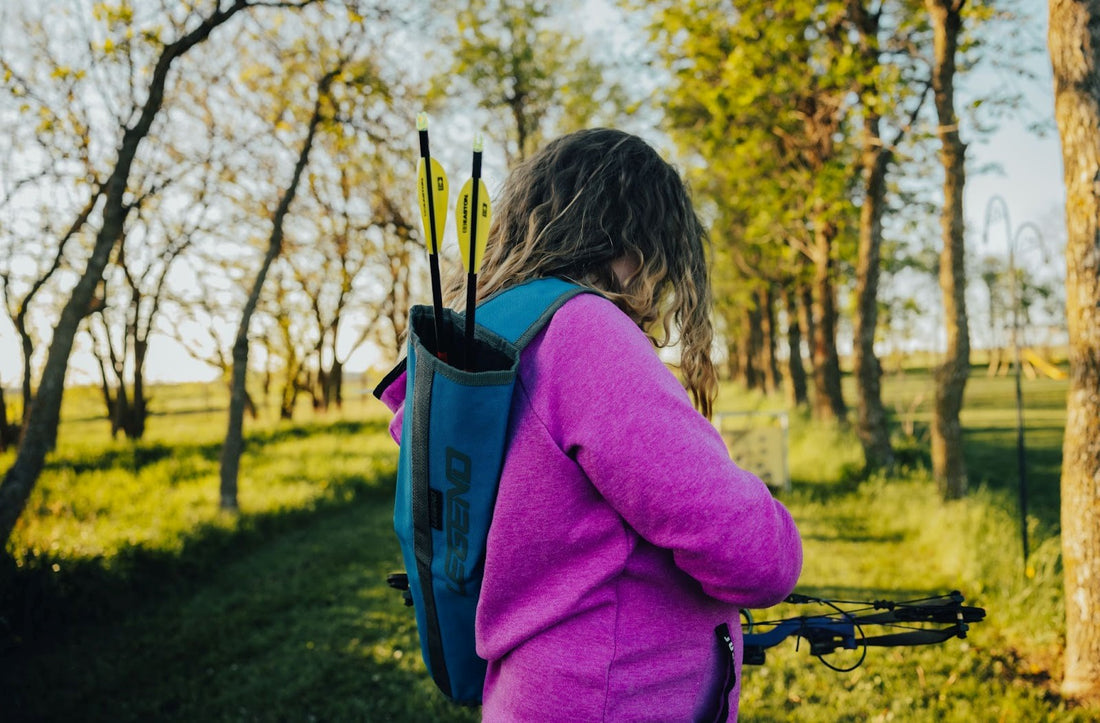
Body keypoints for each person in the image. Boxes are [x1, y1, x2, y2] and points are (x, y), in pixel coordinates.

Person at [378, 128, 802, 721]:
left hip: (535, 697)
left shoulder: (496, 338)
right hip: (610, 702)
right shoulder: (584, 330)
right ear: (634, 237)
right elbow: (753, 555)